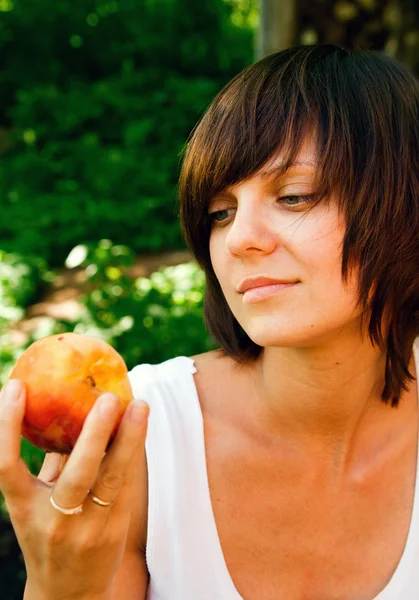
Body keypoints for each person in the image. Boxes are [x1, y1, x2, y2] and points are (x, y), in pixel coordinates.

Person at [1, 43, 419, 600]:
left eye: (294, 196)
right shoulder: (142, 433)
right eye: (221, 213)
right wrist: (62, 590)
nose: (240, 239)